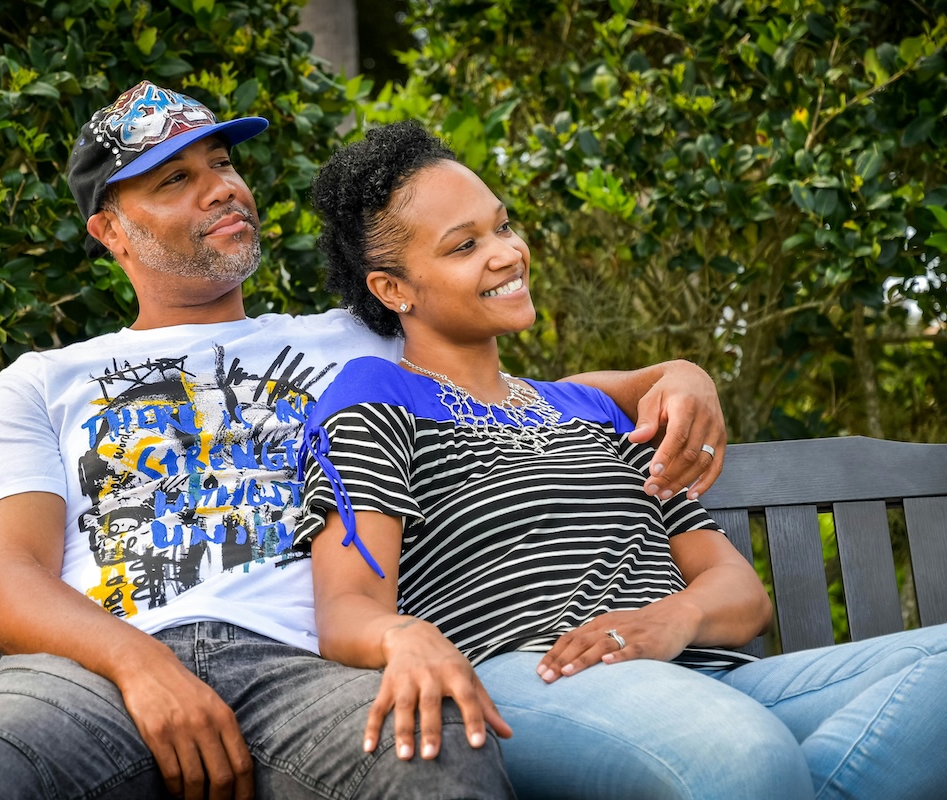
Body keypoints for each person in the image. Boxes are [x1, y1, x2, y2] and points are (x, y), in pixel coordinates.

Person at [0, 80, 731, 800]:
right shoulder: (45, 378)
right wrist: (140, 666)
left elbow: (533, 397)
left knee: (439, 757)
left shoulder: (360, 339)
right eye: (176, 180)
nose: (220, 188)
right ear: (110, 231)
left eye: (222, 163)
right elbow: (5, 581)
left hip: (312, 671)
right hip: (96, 676)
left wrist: (679, 372)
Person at [295, 120, 947, 800]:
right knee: (741, 760)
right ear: (393, 289)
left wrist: (675, 619)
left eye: (503, 225)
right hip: (532, 677)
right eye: (464, 246)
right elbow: (348, 612)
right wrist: (405, 639)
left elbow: (740, 595)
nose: (506, 253)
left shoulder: (592, 409)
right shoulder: (372, 400)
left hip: (704, 676)